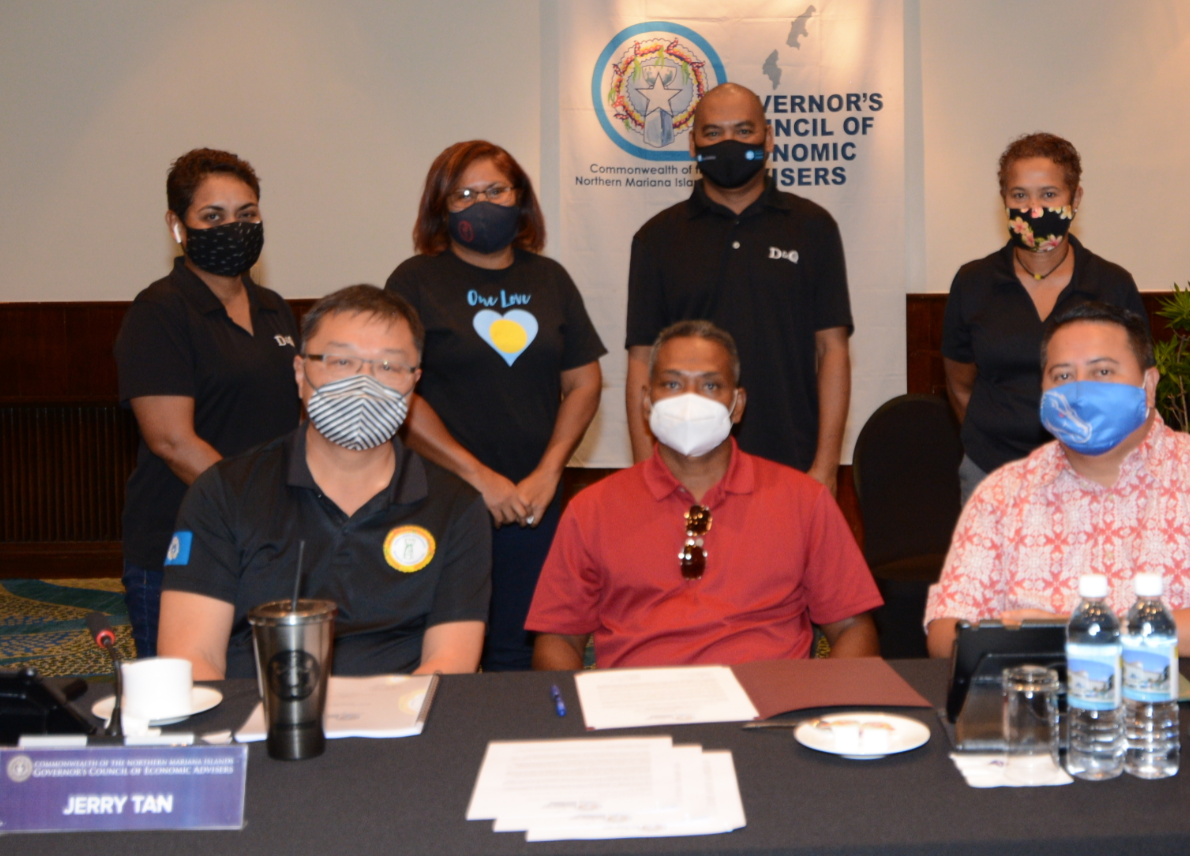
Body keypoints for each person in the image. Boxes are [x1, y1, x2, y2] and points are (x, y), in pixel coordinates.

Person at [925, 302, 1190, 660]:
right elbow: (946, 631)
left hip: (1174, 715)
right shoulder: (1002, 494)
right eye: (1062, 375)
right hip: (1040, 715)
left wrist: (1093, 635)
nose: (1080, 392)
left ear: (1148, 385)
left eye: (1102, 371)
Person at [157, 286, 491, 680]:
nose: (364, 383)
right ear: (300, 373)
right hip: (259, 720)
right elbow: (193, 658)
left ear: (414, 383)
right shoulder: (224, 492)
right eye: (341, 361)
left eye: (388, 366)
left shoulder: (456, 506)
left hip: (399, 721)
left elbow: (449, 664)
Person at [527, 320, 881, 669]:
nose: (690, 401)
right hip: (639, 709)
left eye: (710, 385)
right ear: (647, 401)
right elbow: (557, 638)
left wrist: (822, 710)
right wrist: (576, 714)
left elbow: (852, 628)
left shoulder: (805, 501)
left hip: (769, 709)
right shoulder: (591, 510)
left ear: (738, 404)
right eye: (672, 383)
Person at [386, 141, 605, 671]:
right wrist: (480, 478)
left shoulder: (548, 279)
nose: (481, 203)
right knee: (436, 653)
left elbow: (584, 382)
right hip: (439, 501)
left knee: (520, 653)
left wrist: (549, 474)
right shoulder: (414, 280)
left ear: (520, 199)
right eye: (463, 194)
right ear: (441, 207)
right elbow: (398, 392)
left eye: (494, 190)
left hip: (532, 504)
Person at [113, 148, 301, 657]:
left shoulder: (274, 308)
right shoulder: (159, 312)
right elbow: (173, 442)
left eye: (247, 215)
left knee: (268, 692)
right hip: (184, 543)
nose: (233, 228)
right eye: (212, 216)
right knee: (182, 708)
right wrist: (260, 509)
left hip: (269, 543)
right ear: (178, 225)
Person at [625, 82, 852, 491]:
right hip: (684, 466)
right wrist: (647, 473)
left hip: (792, 462)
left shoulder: (814, 228)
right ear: (693, 145)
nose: (729, 143)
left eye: (743, 131)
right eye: (713, 133)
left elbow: (832, 351)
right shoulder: (656, 238)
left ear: (769, 140)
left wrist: (827, 466)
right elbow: (641, 360)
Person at [942, 132, 1147, 505]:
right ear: (1004, 199)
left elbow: (1136, 389)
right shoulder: (973, 283)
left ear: (1076, 198)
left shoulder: (1112, 285)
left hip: (1093, 475)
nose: (1033, 208)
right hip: (992, 474)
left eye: (1049, 194)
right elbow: (959, 385)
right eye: (1020, 195)